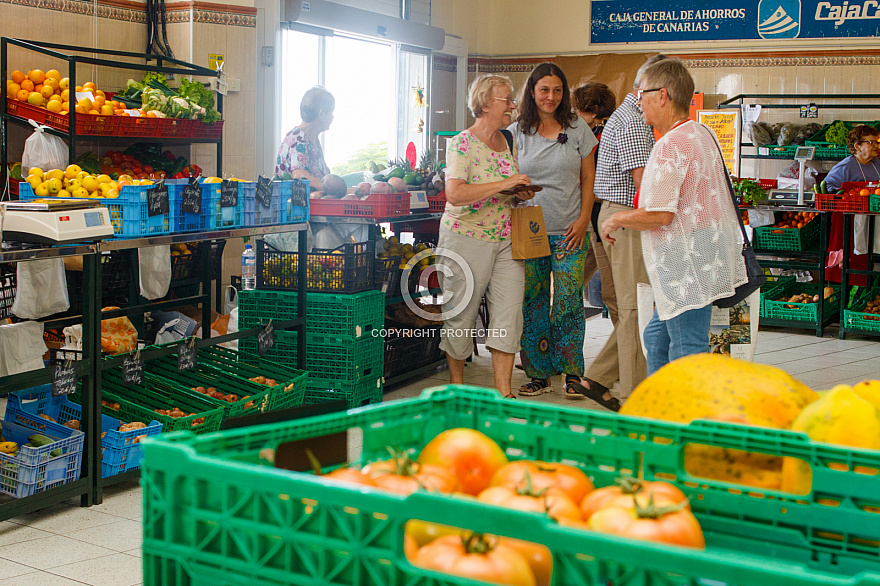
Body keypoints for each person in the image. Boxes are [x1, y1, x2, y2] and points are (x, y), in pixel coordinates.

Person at [600, 58, 748, 374]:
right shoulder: (700, 132)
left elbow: (661, 215)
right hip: (702, 254)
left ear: (663, 96)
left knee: (686, 348)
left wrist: (616, 219)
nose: (638, 103)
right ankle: (662, 408)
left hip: (686, 264)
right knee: (656, 339)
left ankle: (686, 419)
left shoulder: (670, 144)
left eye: (642, 95)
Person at [576, 56, 665, 410]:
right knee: (634, 308)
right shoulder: (632, 122)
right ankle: (633, 395)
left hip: (622, 215)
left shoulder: (631, 119)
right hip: (625, 216)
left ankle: (597, 379)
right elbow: (643, 185)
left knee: (637, 306)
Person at [507, 64, 597, 399]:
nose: (551, 97)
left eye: (557, 90)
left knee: (568, 300)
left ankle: (572, 373)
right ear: (532, 91)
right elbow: (508, 177)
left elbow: (589, 178)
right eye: (544, 90)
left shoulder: (577, 130)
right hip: (529, 227)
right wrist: (516, 190)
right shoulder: (517, 132)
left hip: (570, 228)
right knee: (532, 300)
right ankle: (538, 374)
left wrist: (584, 217)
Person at [441, 74, 534, 399]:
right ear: (484, 103)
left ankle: (503, 393)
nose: (512, 105)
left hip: (506, 239)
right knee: (461, 312)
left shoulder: (507, 139)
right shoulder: (461, 143)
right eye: (506, 99)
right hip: (465, 238)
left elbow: (504, 186)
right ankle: (457, 388)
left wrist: (518, 192)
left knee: (509, 312)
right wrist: (504, 185)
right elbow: (454, 193)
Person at [573, 82, 618, 334]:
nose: (576, 116)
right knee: (571, 284)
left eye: (580, 110)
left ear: (593, 111)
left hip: (599, 219)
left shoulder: (604, 135)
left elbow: (597, 182)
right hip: (587, 218)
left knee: (611, 293)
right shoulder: (591, 132)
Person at [823, 125, 879, 287]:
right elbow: (828, 189)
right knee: (851, 262)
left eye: (876, 142)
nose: (876, 146)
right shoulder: (844, 168)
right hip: (848, 226)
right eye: (872, 142)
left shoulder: (878, 164)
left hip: (873, 224)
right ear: (857, 146)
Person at [275, 86, 334, 190]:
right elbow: (300, 176)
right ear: (321, 114)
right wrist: (336, 190)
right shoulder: (298, 139)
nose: (332, 117)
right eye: (331, 112)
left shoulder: (312, 139)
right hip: (295, 205)